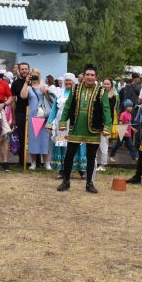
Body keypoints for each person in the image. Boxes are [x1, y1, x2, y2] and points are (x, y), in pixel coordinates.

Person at [57, 64, 112, 193]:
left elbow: (106, 110)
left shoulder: (101, 91)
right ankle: (66, 181)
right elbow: (68, 106)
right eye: (87, 74)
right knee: (69, 155)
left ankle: (89, 183)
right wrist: (63, 121)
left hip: (93, 129)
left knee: (91, 157)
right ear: (83, 76)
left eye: (92, 75)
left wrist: (107, 126)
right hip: (76, 127)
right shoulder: (75, 89)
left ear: (96, 77)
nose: (89, 77)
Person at [46, 73, 86, 179]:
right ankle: (62, 171)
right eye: (66, 80)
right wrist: (49, 122)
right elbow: (54, 110)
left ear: (74, 82)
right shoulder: (59, 94)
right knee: (61, 146)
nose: (68, 82)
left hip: (75, 125)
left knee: (77, 145)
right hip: (61, 127)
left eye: (70, 80)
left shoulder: (79, 94)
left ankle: (81, 170)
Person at [21, 69, 52, 170]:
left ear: (39, 76)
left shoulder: (44, 87)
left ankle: (47, 162)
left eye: (36, 75)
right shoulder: (29, 88)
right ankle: (33, 163)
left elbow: (51, 101)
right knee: (33, 139)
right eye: (32, 75)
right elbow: (22, 96)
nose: (34, 77)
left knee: (45, 138)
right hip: (33, 116)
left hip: (44, 115)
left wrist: (45, 93)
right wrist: (26, 82)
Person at [10, 62, 31, 167]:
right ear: (18, 70)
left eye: (26, 69)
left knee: (33, 136)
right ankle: (22, 161)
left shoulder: (34, 81)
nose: (24, 71)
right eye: (22, 69)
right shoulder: (15, 83)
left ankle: (37, 162)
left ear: (29, 69)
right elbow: (13, 101)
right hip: (20, 112)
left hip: (34, 113)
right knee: (22, 137)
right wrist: (13, 117)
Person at [97, 77, 119, 170]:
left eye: (107, 84)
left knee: (103, 144)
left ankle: (103, 164)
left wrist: (107, 125)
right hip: (98, 122)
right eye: (104, 83)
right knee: (96, 144)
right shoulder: (100, 94)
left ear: (111, 85)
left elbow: (109, 112)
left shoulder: (113, 96)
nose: (105, 85)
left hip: (106, 123)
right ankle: (96, 163)